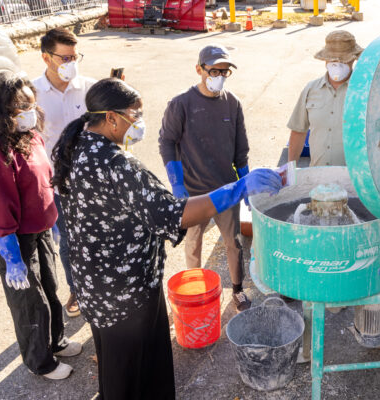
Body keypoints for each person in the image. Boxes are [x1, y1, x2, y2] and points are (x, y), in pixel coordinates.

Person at [51, 78, 282, 399]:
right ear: (111, 118)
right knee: (137, 376)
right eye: (135, 115)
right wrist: (238, 188)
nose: (139, 123)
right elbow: (174, 215)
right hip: (126, 294)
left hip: (94, 287)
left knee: (115, 371)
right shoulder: (117, 164)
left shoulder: (75, 146)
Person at [0, 73, 82, 380]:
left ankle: (56, 342)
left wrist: (53, 221)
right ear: (1, 109)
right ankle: (40, 361)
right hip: (14, 237)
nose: (31, 111)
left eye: (32, 103)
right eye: (22, 106)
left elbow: (42, 181)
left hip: (40, 228)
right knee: (31, 303)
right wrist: (11, 257)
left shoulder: (30, 136)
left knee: (50, 288)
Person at [158, 44, 253, 313]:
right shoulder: (181, 104)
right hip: (194, 191)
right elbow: (167, 142)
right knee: (193, 241)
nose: (219, 76)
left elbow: (241, 147)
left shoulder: (232, 103)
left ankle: (237, 289)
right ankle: (195, 287)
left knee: (233, 242)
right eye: (214, 71)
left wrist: (245, 179)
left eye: (224, 72)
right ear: (199, 69)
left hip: (226, 188)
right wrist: (176, 183)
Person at [32, 27, 96, 317]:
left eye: (75, 56)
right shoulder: (32, 94)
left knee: (99, 235)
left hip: (94, 180)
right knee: (69, 240)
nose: (72, 63)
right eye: (65, 57)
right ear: (47, 58)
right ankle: (77, 290)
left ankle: (101, 285)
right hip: (58, 184)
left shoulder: (90, 89)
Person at [287, 30, 363, 167]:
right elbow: (298, 131)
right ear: (325, 59)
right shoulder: (311, 90)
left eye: (342, 60)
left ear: (353, 59)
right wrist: (290, 170)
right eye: (332, 60)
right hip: (318, 177)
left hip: (353, 180)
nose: (337, 64)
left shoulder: (363, 92)